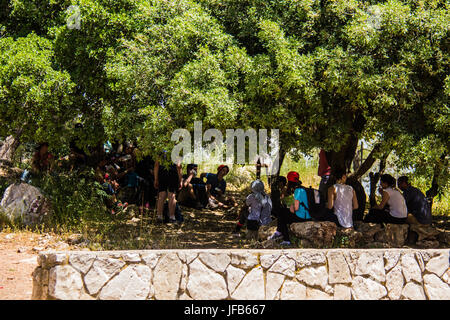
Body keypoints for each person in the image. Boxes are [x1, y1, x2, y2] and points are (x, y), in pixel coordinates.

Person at [269, 171, 312, 245]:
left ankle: (286, 239)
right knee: (282, 212)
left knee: (282, 213)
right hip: (308, 215)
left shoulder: (297, 191)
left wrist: (291, 207)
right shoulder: (303, 189)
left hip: (302, 217)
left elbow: (296, 208)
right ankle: (279, 231)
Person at [154, 156, 182, 223]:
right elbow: (178, 166)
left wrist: (156, 179)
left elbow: (156, 165)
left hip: (162, 173)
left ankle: (159, 216)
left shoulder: (161, 150)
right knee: (171, 195)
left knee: (161, 195)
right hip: (172, 174)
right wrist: (180, 179)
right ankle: (172, 217)